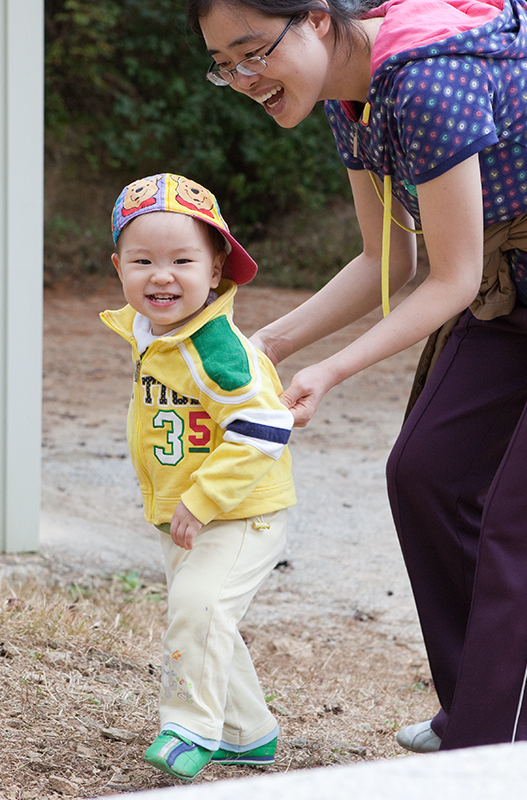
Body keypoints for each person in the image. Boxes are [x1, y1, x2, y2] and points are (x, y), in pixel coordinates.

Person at [186, 0, 527, 751]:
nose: (245, 79)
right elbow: (387, 259)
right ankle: (482, 712)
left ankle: (494, 743)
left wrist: (331, 370)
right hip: (514, 285)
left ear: (314, 19)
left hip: (492, 275)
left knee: (517, 520)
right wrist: (269, 342)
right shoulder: (355, 96)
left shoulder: (428, 76)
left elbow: (450, 277)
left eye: (252, 51)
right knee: (426, 472)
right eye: (225, 66)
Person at [100, 172, 296, 780]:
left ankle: (188, 726)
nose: (162, 275)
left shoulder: (215, 347)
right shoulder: (150, 334)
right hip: (185, 512)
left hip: (241, 511)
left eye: (182, 260)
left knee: (197, 604)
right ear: (119, 268)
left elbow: (266, 425)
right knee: (208, 618)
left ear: (215, 272)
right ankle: (248, 731)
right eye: (143, 260)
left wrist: (205, 499)